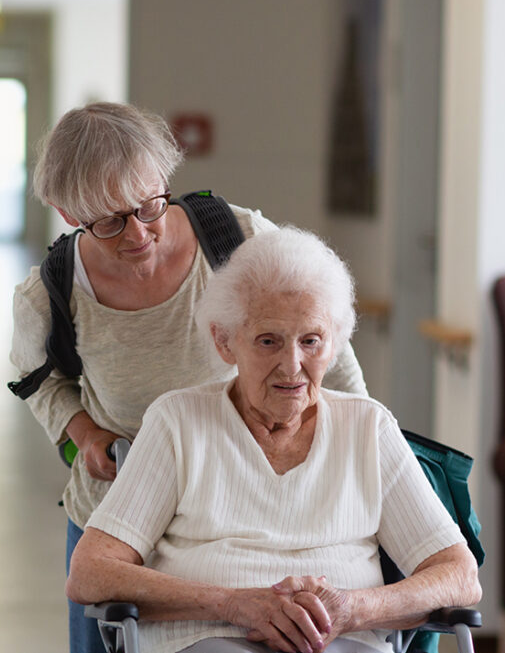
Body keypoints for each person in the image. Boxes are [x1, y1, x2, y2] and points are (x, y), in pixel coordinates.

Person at [9, 102, 369, 653]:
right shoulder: (52, 290)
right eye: (107, 221)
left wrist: (359, 438)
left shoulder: (240, 240)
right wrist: (82, 434)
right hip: (120, 504)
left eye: (149, 205)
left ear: (165, 179)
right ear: (65, 213)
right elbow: (37, 377)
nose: (137, 234)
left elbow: (322, 341)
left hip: (230, 501)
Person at [64, 228, 481, 653]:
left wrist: (352, 609)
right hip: (209, 639)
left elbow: (459, 574)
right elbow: (91, 571)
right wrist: (232, 604)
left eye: (310, 341)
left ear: (333, 344)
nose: (292, 366)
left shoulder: (369, 428)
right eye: (268, 341)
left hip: (346, 641)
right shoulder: (178, 421)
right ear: (225, 341)